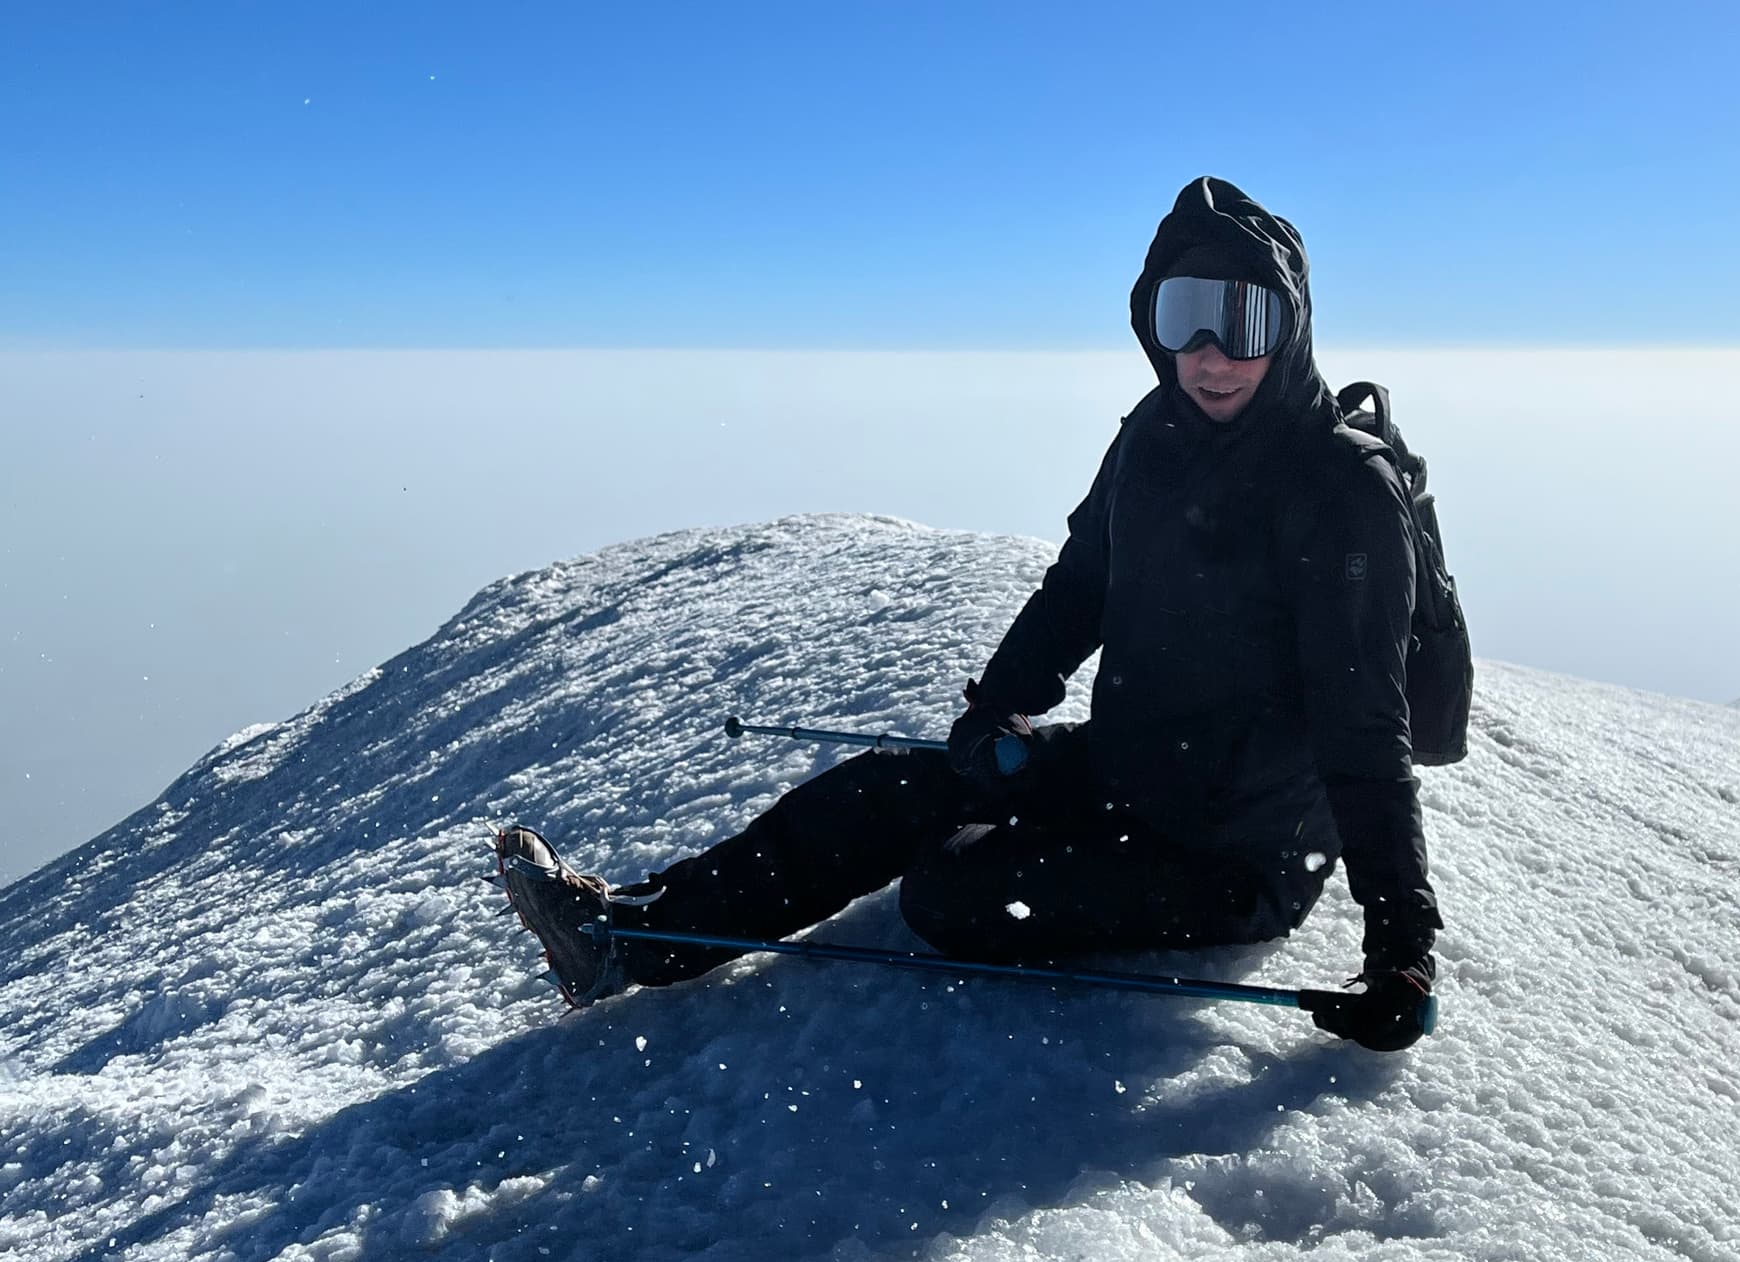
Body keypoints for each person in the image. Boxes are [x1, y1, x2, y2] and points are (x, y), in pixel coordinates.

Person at [500, 175, 1443, 1051]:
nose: (1210, 355)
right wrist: (1000, 703)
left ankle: (1018, 860)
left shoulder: (1341, 491)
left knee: (951, 890)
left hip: (1239, 853)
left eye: (1245, 319)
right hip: (1129, 768)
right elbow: (1079, 588)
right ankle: (627, 936)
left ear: (1292, 326)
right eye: (1182, 316)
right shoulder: (1154, 440)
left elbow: (1365, 725)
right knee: (886, 789)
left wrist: (1401, 946)